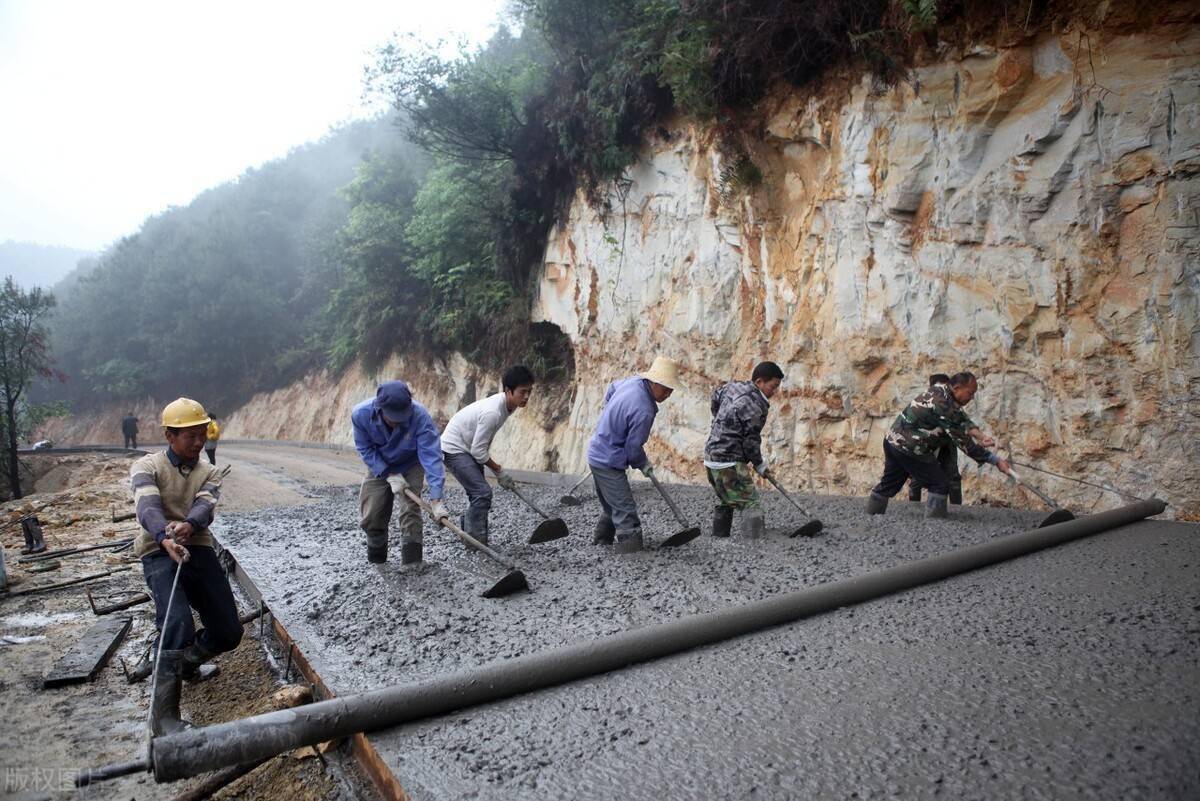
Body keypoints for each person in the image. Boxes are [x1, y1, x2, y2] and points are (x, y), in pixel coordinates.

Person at [131, 397, 242, 735]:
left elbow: (205, 506)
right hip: (156, 548)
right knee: (176, 621)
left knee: (228, 631)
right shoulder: (146, 467)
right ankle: (163, 719)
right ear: (169, 436)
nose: (198, 442)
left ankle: (187, 663)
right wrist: (165, 536)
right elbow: (147, 505)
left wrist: (189, 526)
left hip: (197, 545)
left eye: (201, 435)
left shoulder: (209, 470)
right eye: (190, 436)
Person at [866, 371, 1010, 519]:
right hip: (910, 447)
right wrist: (996, 461)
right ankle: (935, 525)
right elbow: (964, 443)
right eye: (970, 393)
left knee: (889, 483)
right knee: (940, 485)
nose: (971, 397)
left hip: (892, 441)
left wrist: (981, 436)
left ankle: (870, 517)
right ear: (957, 388)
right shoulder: (944, 405)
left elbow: (961, 418)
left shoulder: (940, 390)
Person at [586, 356, 679, 554]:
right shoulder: (644, 410)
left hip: (596, 452)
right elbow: (633, 449)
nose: (668, 394)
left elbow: (611, 388)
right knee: (625, 510)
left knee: (613, 504)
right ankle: (631, 552)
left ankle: (601, 544)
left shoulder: (633, 382)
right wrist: (643, 463)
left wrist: (610, 416)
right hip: (607, 461)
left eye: (671, 390)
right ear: (654, 382)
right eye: (665, 389)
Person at [352, 380, 448, 567]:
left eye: (402, 417)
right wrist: (387, 472)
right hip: (379, 463)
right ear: (380, 408)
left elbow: (431, 456)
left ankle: (412, 564)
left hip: (411, 463)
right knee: (372, 511)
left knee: (410, 508)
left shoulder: (420, 416)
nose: (397, 422)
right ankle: (377, 563)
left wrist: (436, 499)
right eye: (393, 417)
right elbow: (364, 448)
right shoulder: (361, 415)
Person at [441, 365, 535, 546]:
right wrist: (498, 470)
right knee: (482, 493)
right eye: (523, 392)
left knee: (477, 494)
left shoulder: (509, 405)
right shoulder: (493, 412)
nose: (526, 397)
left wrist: (495, 469)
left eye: (529, 392)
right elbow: (478, 451)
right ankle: (476, 544)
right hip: (454, 448)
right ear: (508, 391)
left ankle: (470, 535)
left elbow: (479, 446)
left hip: (468, 447)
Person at [704, 361, 785, 540]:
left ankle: (719, 537)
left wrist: (719, 420)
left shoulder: (732, 387)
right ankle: (753, 544)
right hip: (730, 462)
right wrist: (759, 464)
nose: (775, 391)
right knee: (750, 503)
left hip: (710, 457)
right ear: (759, 382)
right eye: (773, 386)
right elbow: (751, 442)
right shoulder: (756, 407)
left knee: (728, 499)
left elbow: (715, 396)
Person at [906, 374, 964, 504]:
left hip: (947, 443)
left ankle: (957, 510)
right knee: (916, 477)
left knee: (953, 477)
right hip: (926, 442)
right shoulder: (923, 402)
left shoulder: (952, 403)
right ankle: (913, 508)